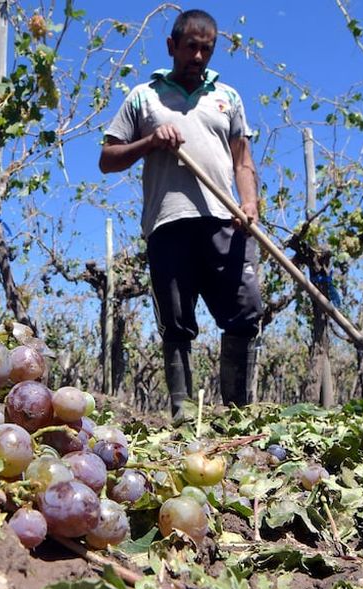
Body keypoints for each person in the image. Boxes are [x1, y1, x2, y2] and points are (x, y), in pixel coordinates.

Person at [99, 8, 263, 419]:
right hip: (168, 222)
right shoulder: (143, 96)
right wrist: (151, 141)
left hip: (225, 219)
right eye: (191, 47)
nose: (198, 57)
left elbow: (243, 161)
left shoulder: (228, 98)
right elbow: (108, 158)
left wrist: (249, 203)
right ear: (172, 46)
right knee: (175, 321)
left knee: (245, 311)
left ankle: (238, 414)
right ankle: (183, 415)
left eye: (206, 49)